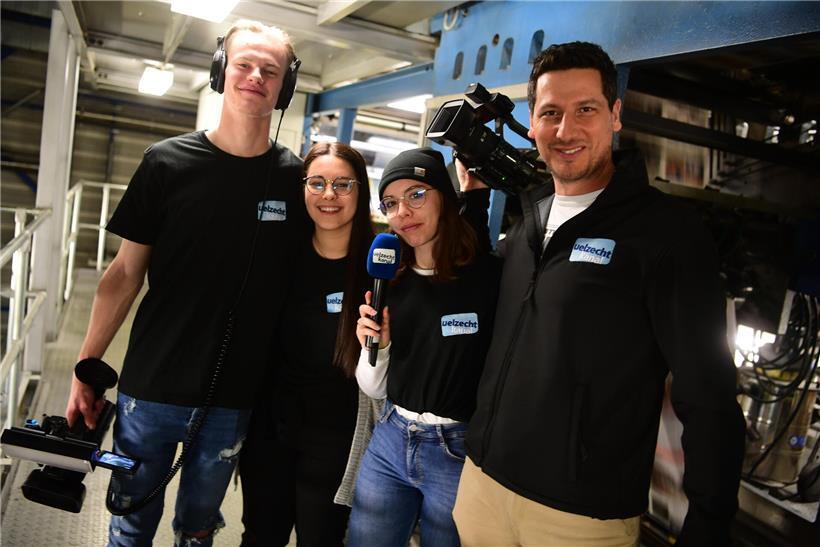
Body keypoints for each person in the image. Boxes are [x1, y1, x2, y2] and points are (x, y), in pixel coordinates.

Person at [452, 41, 746, 547]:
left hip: (578, 517)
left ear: (615, 115)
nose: (566, 131)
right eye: (551, 113)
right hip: (481, 485)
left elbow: (709, 392)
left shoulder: (665, 234)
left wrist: (709, 524)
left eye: (585, 109)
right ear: (534, 122)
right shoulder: (528, 222)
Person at [65, 20, 308, 547]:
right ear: (221, 70)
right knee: (130, 525)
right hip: (151, 390)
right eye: (244, 63)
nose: (256, 77)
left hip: (235, 398)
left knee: (198, 531)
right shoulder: (166, 163)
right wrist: (86, 369)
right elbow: (123, 275)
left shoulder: (295, 179)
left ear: (286, 86)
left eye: (272, 70)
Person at [349, 148, 501, 547]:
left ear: (444, 199)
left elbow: (474, 235)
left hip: (457, 449)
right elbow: (374, 388)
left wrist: (477, 191)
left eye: (417, 194)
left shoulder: (488, 277)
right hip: (390, 438)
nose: (403, 212)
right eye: (391, 203)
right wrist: (377, 348)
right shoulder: (390, 282)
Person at [238, 142, 374, 546]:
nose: (328, 195)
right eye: (317, 182)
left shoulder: (381, 268)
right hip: (270, 431)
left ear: (360, 191)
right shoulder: (278, 256)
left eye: (342, 184)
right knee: (261, 536)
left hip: (337, 438)